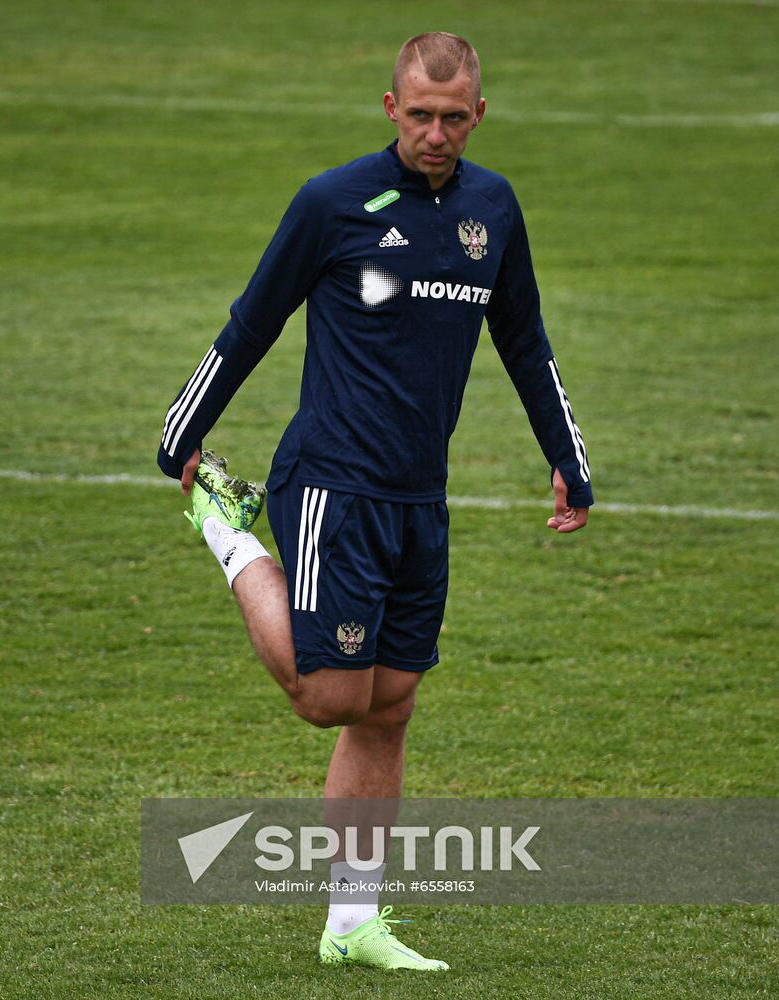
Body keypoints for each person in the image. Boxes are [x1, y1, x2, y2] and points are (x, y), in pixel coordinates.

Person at [157, 31, 593, 972]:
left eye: (455, 117)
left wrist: (567, 455)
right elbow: (254, 318)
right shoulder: (333, 202)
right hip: (331, 484)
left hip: (415, 496)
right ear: (391, 108)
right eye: (421, 115)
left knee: (388, 708)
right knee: (327, 697)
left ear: (480, 114)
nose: (437, 133)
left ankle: (353, 924)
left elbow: (525, 341)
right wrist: (183, 428)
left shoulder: (493, 208)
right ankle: (231, 534)